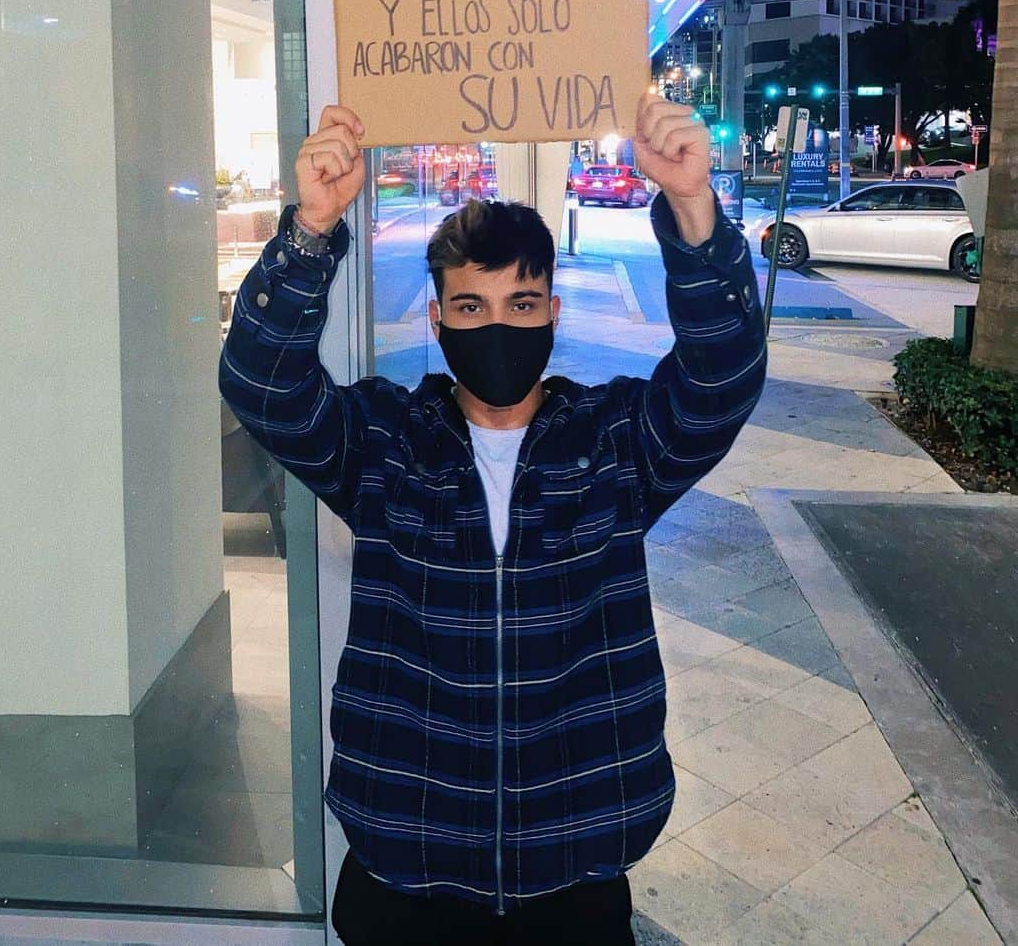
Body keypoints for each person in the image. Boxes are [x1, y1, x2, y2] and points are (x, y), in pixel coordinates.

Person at [219, 93, 766, 945]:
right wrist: (310, 230)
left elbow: (722, 379)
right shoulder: (385, 443)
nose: (498, 325)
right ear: (437, 320)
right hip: (404, 871)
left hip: (574, 874)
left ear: (554, 311)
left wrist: (694, 208)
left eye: (522, 303)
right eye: (471, 307)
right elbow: (262, 386)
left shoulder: (615, 443)